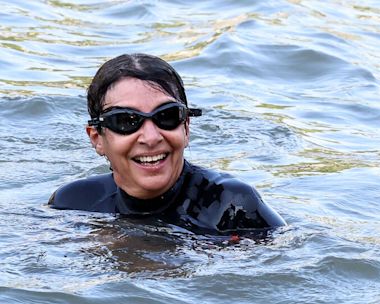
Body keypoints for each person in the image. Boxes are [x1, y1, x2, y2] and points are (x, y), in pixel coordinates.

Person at [49, 53, 285, 234]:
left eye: (167, 116)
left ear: (186, 127)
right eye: (125, 121)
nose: (151, 137)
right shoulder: (73, 204)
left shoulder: (232, 207)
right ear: (97, 138)